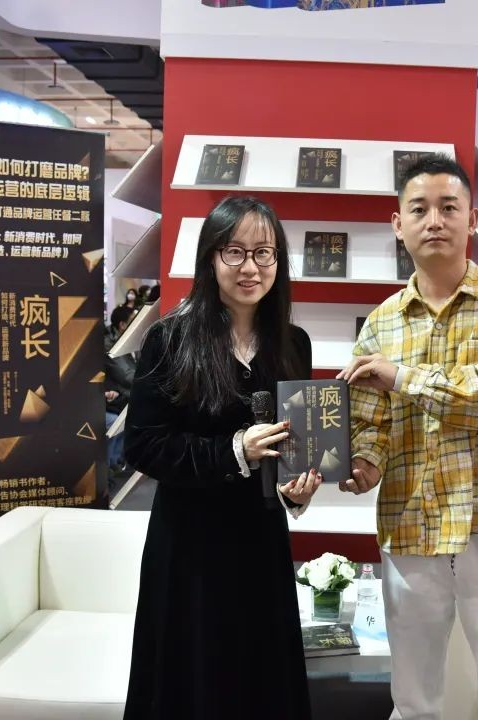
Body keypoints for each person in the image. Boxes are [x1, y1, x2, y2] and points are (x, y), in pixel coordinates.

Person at [339, 155, 478, 719]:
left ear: (472, 218)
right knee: (413, 699)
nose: (434, 220)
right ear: (398, 224)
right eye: (419, 209)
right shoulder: (381, 323)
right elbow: (373, 424)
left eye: (448, 207)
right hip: (410, 525)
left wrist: (403, 378)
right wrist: (363, 464)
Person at [122, 196, 320, 719]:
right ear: (210, 258)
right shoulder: (170, 338)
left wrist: (296, 488)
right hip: (190, 544)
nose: (250, 267)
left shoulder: (293, 343)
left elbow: (292, 443)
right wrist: (235, 450)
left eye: (264, 253)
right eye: (235, 252)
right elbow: (143, 444)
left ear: (278, 262)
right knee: (193, 680)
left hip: (260, 540)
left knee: (260, 679)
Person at [106, 305, 138, 476]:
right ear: (122, 325)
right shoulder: (111, 346)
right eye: (134, 320)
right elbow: (126, 376)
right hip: (117, 398)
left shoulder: (132, 342)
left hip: (125, 394)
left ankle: (120, 460)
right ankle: (116, 461)